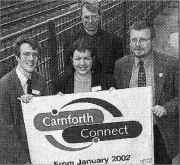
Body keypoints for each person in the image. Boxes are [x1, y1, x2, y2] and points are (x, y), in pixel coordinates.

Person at [114, 20, 179, 164]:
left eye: (143, 40)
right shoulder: (121, 65)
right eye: (134, 40)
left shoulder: (171, 64)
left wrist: (166, 108)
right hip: (131, 133)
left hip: (159, 132)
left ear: (153, 41)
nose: (137, 44)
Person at [0, 35, 48, 164]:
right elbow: (5, 129)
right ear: (17, 58)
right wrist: (24, 161)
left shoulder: (40, 81)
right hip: (14, 157)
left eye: (35, 55)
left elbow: (46, 114)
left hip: (37, 151)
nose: (31, 59)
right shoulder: (4, 85)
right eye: (26, 54)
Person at [63, 0, 123, 76]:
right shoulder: (70, 42)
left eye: (94, 17)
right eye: (87, 17)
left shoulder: (114, 41)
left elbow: (119, 72)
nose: (90, 21)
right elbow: (68, 72)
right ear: (81, 18)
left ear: (100, 17)